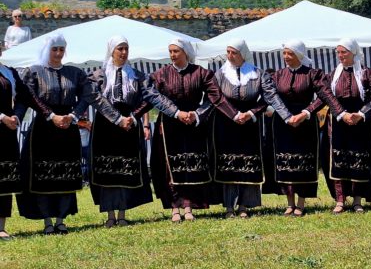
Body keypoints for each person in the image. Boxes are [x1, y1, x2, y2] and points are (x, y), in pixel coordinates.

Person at [17, 33, 125, 234]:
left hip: (67, 128)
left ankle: (60, 220)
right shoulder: (34, 72)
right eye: (54, 49)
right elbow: (29, 97)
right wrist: (49, 115)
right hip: (43, 129)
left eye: (61, 49)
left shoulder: (75, 73)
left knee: (65, 175)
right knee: (43, 176)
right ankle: (47, 221)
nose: (58, 53)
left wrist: (75, 115)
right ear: (47, 50)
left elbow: (90, 96)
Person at [148, 38, 239, 223]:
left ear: (186, 53)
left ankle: (189, 206)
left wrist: (197, 114)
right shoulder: (160, 75)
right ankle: (175, 207)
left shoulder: (201, 73)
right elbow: (153, 96)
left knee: (192, 166)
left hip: (194, 124)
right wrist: (175, 112)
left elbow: (214, 97)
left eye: (176, 51)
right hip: (169, 124)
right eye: (170, 51)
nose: (172, 55)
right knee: (169, 167)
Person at [263, 40, 345, 217]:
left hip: (306, 122)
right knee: (285, 162)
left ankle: (301, 203)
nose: (286, 57)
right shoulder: (278, 75)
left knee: (305, 163)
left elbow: (323, 95)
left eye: (290, 53)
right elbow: (271, 96)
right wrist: (286, 116)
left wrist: (306, 113)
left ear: (299, 55)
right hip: (283, 122)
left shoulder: (313, 74)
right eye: (284, 53)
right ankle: (290, 203)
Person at [322, 38, 371, 214]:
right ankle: (340, 200)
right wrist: (342, 114)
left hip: (361, 122)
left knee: (359, 160)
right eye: (338, 52)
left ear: (353, 52)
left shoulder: (369, 74)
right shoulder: (332, 75)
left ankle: (358, 200)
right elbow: (327, 96)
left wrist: (361, 114)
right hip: (338, 122)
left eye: (344, 52)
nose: (340, 55)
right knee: (338, 161)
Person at [213, 39, 292, 218]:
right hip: (226, 123)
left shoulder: (258, 73)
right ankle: (229, 207)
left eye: (234, 52)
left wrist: (251, 113)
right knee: (229, 165)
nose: (230, 56)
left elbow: (269, 97)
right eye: (228, 52)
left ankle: (244, 205)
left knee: (248, 164)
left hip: (250, 124)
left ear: (243, 54)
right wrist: (233, 114)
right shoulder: (220, 74)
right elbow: (216, 98)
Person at [88, 36, 154, 227]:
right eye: (120, 49)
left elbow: (148, 99)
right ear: (112, 51)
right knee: (107, 171)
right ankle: (110, 215)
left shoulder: (137, 76)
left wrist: (134, 116)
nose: (124, 53)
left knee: (125, 170)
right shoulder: (99, 75)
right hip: (105, 126)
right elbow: (92, 98)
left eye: (126, 48)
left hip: (129, 125)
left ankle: (122, 214)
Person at [0, 49, 53, 240]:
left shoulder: (9, 72)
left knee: (5, 179)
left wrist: (17, 116)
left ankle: (1, 226)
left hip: (7, 132)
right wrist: (2, 117)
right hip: (3, 122)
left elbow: (26, 97)